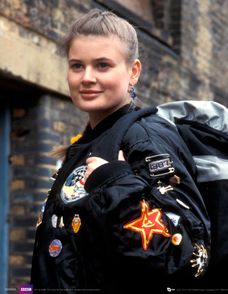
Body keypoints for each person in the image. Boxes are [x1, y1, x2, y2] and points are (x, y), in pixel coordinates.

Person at [31, 9, 210, 293]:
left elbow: (187, 258)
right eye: (77, 65)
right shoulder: (86, 143)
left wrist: (115, 183)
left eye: (102, 65)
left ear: (133, 72)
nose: (86, 77)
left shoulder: (145, 138)